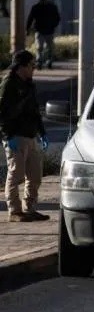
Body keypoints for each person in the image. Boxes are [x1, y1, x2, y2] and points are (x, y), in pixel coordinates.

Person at [0, 50, 49, 222]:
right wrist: (7, 135)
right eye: (31, 65)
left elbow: (35, 111)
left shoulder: (29, 85)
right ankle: (14, 211)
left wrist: (42, 133)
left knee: (35, 175)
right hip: (15, 136)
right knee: (16, 174)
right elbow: (2, 113)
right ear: (21, 66)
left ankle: (30, 208)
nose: (34, 69)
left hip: (30, 135)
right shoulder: (9, 84)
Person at [26, 0, 61, 69]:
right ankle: (40, 62)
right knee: (40, 47)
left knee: (48, 47)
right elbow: (30, 18)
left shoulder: (51, 7)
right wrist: (27, 28)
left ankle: (47, 61)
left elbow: (57, 18)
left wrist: (53, 25)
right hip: (41, 30)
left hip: (48, 30)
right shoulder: (37, 7)